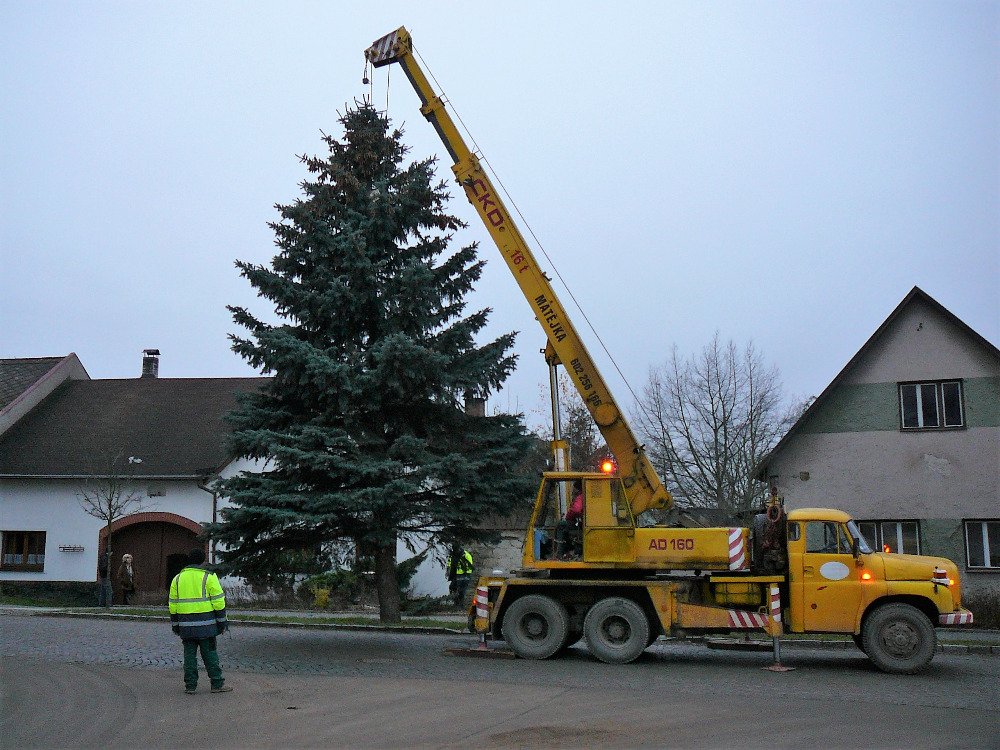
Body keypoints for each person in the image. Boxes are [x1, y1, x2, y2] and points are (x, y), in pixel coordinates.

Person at [168, 547, 232, 695]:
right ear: (203, 560)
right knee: (210, 655)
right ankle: (217, 683)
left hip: (186, 626)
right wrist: (222, 623)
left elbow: (172, 605)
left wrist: (175, 625)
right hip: (207, 626)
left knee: (189, 656)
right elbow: (218, 602)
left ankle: (190, 686)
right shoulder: (209, 577)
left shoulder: (177, 578)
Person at [555, 481, 585, 559]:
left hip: (581, 527)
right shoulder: (586, 496)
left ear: (577, 489)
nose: (573, 490)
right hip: (583, 525)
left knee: (561, 525)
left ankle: (559, 553)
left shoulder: (581, 497)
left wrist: (569, 517)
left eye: (574, 488)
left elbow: (576, 510)